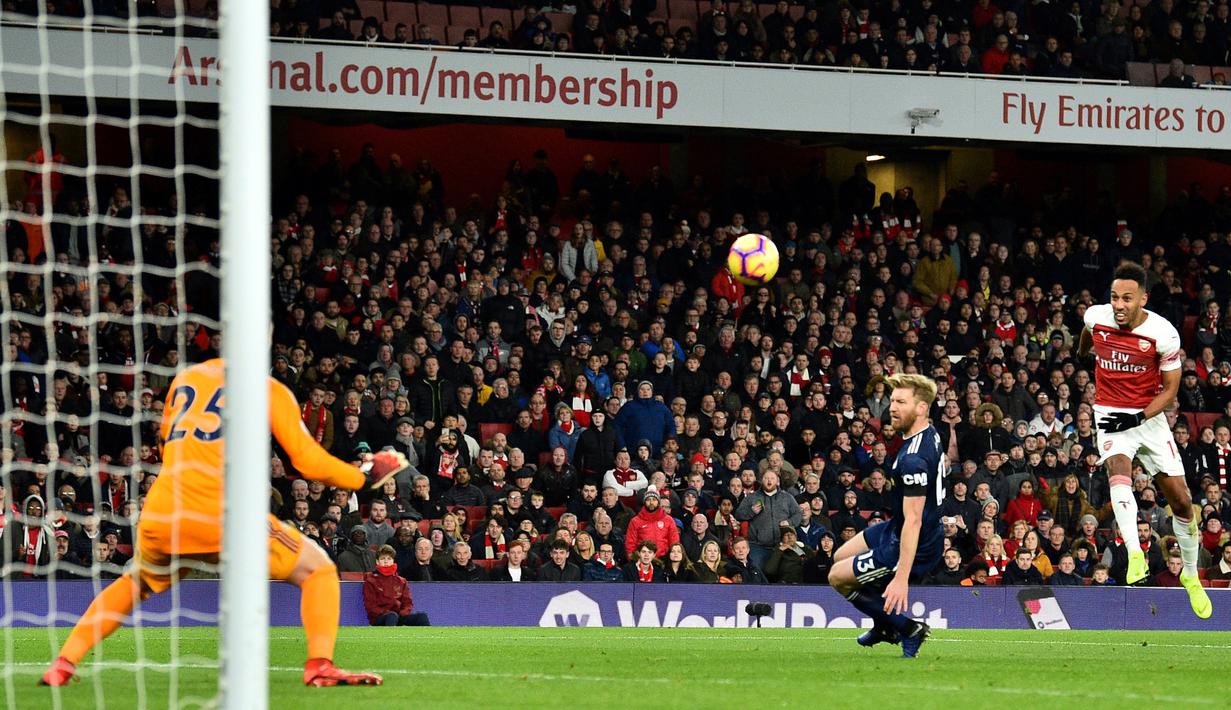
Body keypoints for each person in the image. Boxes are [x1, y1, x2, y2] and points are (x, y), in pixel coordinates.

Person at [42, 359, 406, 687]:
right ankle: (320, 665)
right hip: (222, 511)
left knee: (135, 584)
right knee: (319, 571)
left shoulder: (187, 379)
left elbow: (171, 439)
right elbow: (308, 461)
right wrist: (363, 475)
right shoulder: (267, 388)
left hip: (165, 509)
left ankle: (63, 663)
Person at [1078, 262, 1211, 618]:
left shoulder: (1163, 333)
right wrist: (1081, 353)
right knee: (1118, 472)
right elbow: (1087, 330)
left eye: (1127, 298)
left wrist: (1138, 417)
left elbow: (1170, 391)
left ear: (1143, 299)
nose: (1118, 305)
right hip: (1108, 411)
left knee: (1183, 503)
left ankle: (1190, 575)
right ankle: (1135, 553)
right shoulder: (1097, 316)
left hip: (1147, 417)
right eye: (1114, 297)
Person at [828, 373, 943, 658]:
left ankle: (907, 629)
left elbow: (914, 520)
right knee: (839, 556)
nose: (892, 407)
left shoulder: (913, 459)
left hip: (916, 540)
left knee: (837, 578)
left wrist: (901, 576)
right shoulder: (928, 432)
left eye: (901, 402)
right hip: (897, 525)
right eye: (892, 401)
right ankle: (883, 625)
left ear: (921, 408)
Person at [735, 469, 802, 570]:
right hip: (758, 546)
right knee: (757, 573)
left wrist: (789, 522)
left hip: (782, 545)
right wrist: (751, 512)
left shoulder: (787, 497)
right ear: (761, 480)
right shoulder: (751, 497)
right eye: (766, 478)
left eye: (772, 478)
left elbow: (798, 514)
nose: (769, 481)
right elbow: (738, 514)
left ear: (777, 481)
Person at [363, 545, 430, 626]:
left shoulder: (401, 581)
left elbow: (407, 603)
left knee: (422, 617)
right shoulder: (371, 581)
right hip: (380, 617)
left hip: (399, 615)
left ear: (393, 561)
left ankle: (429, 638)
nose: (386, 561)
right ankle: (390, 638)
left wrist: (403, 613)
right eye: (383, 559)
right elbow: (371, 606)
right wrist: (388, 613)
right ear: (377, 562)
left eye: (389, 559)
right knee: (391, 616)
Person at [624, 488, 679, 559]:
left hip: (664, 560)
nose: (651, 502)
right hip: (643, 560)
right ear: (644, 502)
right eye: (648, 500)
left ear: (658, 502)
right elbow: (630, 544)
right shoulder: (635, 521)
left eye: (654, 500)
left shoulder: (668, 520)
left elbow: (674, 541)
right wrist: (632, 560)